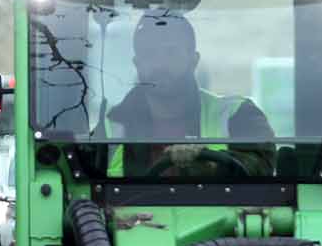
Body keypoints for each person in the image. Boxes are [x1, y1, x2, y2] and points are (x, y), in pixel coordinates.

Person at [107, 9, 271, 145]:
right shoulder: (109, 129)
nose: (160, 64)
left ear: (194, 61)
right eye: (149, 53)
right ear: (137, 63)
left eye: (171, 52)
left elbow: (258, 165)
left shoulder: (238, 117)